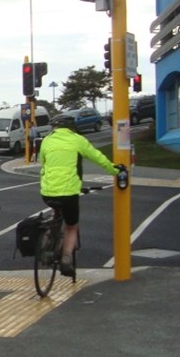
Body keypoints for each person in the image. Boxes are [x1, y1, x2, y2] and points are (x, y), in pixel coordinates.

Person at [38, 114, 123, 277]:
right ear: (72, 127)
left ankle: (47, 241)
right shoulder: (77, 140)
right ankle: (66, 259)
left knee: (56, 213)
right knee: (71, 226)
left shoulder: (47, 141)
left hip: (47, 192)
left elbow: (43, 162)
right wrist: (115, 170)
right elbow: (97, 157)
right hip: (69, 193)